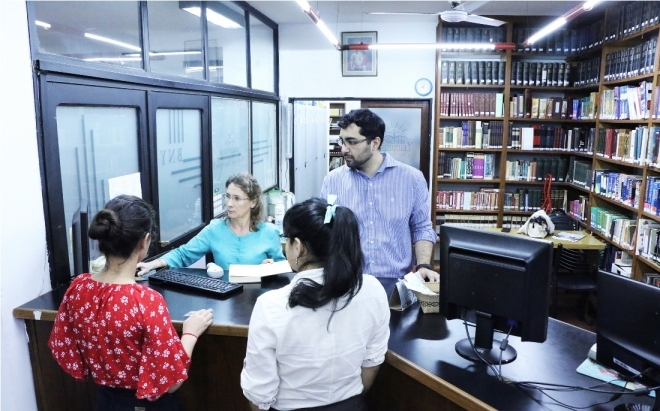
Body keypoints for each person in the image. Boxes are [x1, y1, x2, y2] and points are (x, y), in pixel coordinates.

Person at [48, 195, 213, 411]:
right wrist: (190, 334)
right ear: (144, 241)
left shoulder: (78, 287)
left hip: (106, 403)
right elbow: (171, 383)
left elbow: (64, 348)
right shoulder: (146, 301)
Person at [241, 197, 390, 411]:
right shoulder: (373, 289)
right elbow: (371, 365)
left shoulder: (271, 305)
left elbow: (259, 395)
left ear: (298, 247)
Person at [320, 108, 439, 281]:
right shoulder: (333, 181)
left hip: (397, 283)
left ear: (375, 143)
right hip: (348, 282)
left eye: (352, 142)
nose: (344, 149)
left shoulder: (412, 179)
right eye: (342, 141)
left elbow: (422, 227)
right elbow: (326, 226)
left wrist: (423, 266)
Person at [137, 173, 285, 275]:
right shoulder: (215, 229)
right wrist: (153, 264)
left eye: (237, 198)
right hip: (225, 300)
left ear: (253, 202)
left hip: (257, 298)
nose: (229, 203)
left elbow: (282, 269)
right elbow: (183, 254)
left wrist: (272, 268)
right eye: (227, 196)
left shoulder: (269, 233)